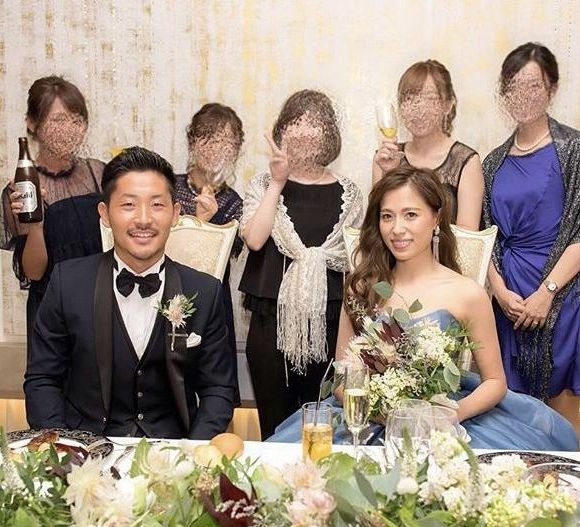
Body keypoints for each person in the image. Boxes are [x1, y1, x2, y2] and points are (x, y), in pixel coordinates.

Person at [270, 166, 577, 450]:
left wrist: (447, 415)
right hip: (367, 419)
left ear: (436, 218)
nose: (397, 228)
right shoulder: (361, 288)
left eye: (411, 215)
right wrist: (377, 411)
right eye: (387, 216)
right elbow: (342, 378)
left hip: (443, 419)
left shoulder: (467, 293)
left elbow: (495, 383)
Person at [24, 146, 237, 439]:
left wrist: (192, 453)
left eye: (157, 205)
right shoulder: (67, 283)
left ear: (175, 213)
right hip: (87, 451)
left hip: (172, 452)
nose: (143, 219)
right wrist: (65, 448)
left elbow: (218, 389)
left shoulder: (204, 291)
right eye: (128, 205)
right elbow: (42, 379)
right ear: (105, 214)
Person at [239, 89, 363, 439]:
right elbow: (255, 239)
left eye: (315, 123)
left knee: (324, 427)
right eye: (296, 121)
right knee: (274, 427)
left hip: (330, 324)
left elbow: (356, 260)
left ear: (329, 134)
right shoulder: (263, 184)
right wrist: (278, 182)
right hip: (270, 322)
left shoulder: (350, 193)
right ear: (282, 129)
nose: (305, 130)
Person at [483, 42, 580, 435]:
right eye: (514, 86)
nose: (522, 95)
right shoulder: (493, 162)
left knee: (566, 428)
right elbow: (486, 236)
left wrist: (548, 292)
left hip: (564, 299)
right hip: (509, 304)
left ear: (552, 89)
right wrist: (498, 291)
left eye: (533, 85)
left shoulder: (574, 149)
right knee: (513, 425)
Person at [0, 76, 104, 342]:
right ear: (32, 123)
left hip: (100, 304)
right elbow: (34, 272)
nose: (69, 129)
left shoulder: (99, 172)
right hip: (52, 313)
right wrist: (36, 225)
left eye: (77, 120)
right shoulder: (21, 190)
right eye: (58, 120)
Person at [174, 102, 244, 404]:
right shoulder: (168, 187)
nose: (217, 148)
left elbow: (225, 257)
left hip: (213, 304)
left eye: (227, 142)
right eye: (209, 138)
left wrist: (210, 223)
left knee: (214, 391)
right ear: (193, 142)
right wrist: (197, 222)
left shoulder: (234, 203)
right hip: (167, 297)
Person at [372, 60, 483, 230]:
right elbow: (377, 227)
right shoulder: (384, 159)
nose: (419, 109)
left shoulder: (466, 161)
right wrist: (388, 173)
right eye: (409, 99)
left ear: (447, 105)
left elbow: (468, 237)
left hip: (446, 249)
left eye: (429, 99)